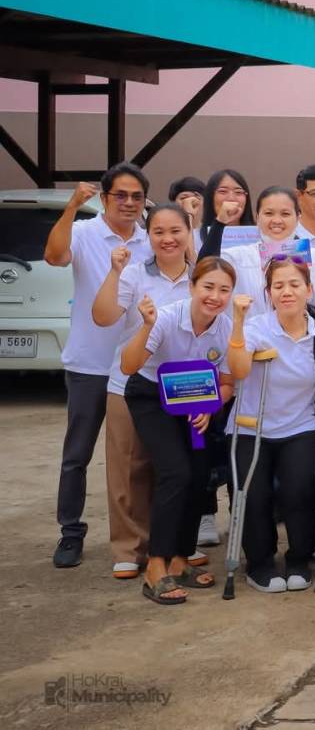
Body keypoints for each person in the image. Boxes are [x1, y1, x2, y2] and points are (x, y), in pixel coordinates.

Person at [42, 165, 152, 569]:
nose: (128, 203)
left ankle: (142, 536)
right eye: (120, 195)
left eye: (136, 196)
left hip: (135, 366)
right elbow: (54, 256)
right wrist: (72, 205)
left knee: (136, 459)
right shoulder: (85, 232)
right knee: (77, 454)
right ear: (104, 198)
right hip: (89, 363)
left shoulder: (150, 239)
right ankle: (71, 532)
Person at [90, 203, 202, 579]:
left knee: (179, 467)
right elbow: (103, 316)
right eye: (158, 232)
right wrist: (114, 271)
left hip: (187, 388)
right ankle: (129, 547)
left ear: (189, 232)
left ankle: (173, 544)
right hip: (132, 383)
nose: (168, 239)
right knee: (130, 467)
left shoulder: (200, 276)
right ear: (148, 236)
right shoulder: (134, 273)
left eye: (176, 231)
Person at [118, 257, 238, 603]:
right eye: (208, 287)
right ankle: (156, 565)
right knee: (175, 472)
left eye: (224, 290)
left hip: (196, 398)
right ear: (192, 287)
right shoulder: (166, 317)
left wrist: (211, 406)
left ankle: (180, 559)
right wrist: (146, 326)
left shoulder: (226, 328)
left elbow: (227, 383)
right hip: (151, 395)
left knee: (200, 475)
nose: (215, 296)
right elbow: (128, 366)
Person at [225, 259, 315, 592]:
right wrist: (238, 323)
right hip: (252, 426)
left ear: (309, 289)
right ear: (268, 293)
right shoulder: (256, 328)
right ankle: (260, 563)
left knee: (300, 491)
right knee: (253, 495)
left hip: (300, 425)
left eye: (294, 284)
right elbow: (238, 370)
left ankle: (299, 558)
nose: (287, 292)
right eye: (278, 286)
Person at [222, 186, 315, 316]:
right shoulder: (236, 258)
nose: (277, 221)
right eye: (269, 213)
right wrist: (219, 222)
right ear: (257, 217)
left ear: (298, 218)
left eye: (285, 214)